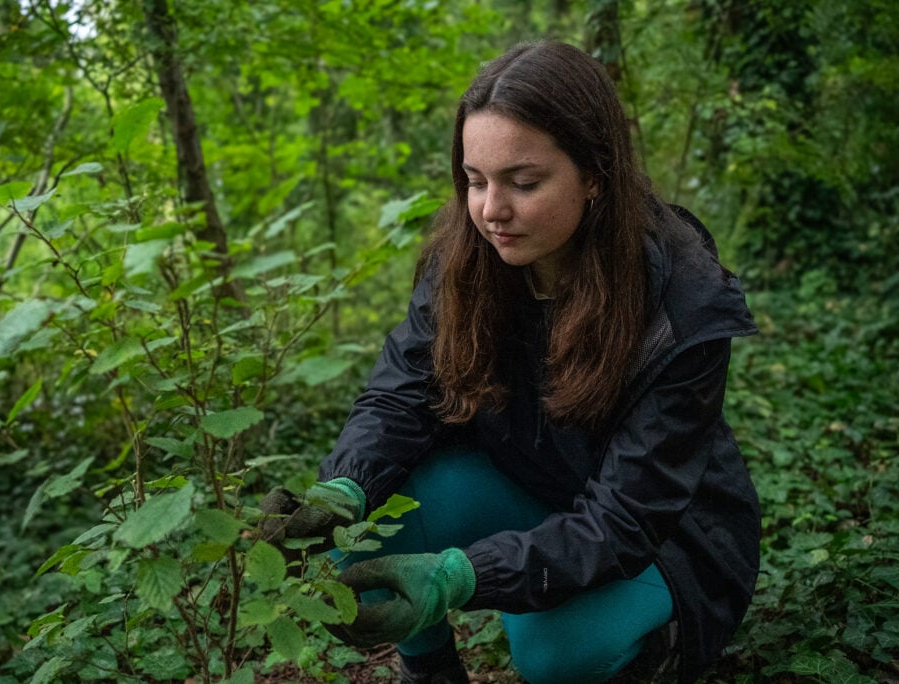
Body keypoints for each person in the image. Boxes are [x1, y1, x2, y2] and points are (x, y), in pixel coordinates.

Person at [260, 40, 760, 684]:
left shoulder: (682, 302)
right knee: (366, 533)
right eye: (475, 181)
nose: (492, 211)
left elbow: (628, 515)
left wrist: (465, 575)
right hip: (535, 479)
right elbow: (403, 392)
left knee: (556, 652)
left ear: (594, 174)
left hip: (667, 536)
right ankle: (431, 672)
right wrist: (343, 487)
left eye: (524, 183)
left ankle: (650, 645)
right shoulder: (464, 261)